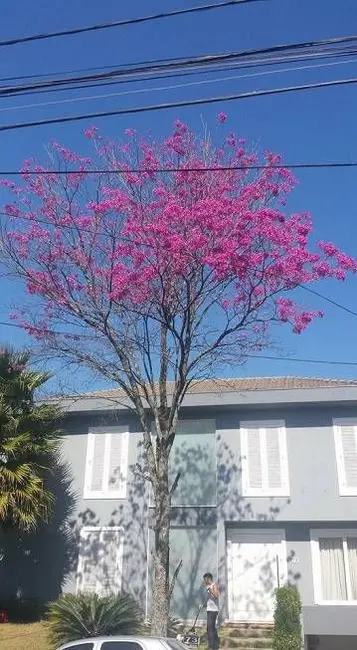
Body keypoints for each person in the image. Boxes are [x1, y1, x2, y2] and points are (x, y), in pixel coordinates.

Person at [203, 572, 219, 650]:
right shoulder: (208, 587)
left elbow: (216, 596)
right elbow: (209, 600)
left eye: (205, 579)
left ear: (208, 578)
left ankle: (212, 646)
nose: (204, 581)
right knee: (211, 628)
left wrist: (210, 589)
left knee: (210, 628)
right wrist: (203, 605)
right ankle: (215, 645)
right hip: (209, 610)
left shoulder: (213, 585)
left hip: (213, 610)